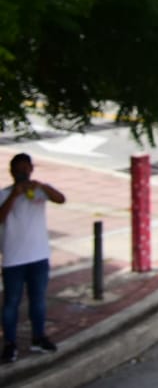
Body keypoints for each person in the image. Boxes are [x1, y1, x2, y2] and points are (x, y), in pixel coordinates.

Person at [2, 154, 65, 364]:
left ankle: (39, 337)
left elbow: (60, 199)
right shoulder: (4, 194)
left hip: (38, 256)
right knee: (11, 302)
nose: (23, 174)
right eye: (19, 170)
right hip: (13, 259)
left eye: (26, 169)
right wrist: (14, 196)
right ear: (12, 172)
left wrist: (43, 187)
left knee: (38, 300)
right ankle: (10, 344)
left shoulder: (38, 192)